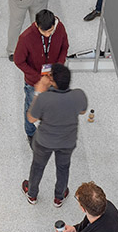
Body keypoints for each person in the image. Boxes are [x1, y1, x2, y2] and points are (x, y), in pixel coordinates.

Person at [23, 63, 86, 205]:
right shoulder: (78, 95)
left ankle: (32, 194)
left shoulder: (44, 99)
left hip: (44, 141)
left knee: (38, 166)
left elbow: (31, 118)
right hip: (67, 141)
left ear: (53, 82)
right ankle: (59, 196)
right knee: (63, 168)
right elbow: (82, 111)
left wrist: (38, 92)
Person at [13, 8, 69, 142]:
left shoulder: (59, 28)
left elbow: (64, 47)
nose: (48, 35)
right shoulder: (26, 38)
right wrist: (39, 77)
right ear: (37, 25)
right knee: (31, 108)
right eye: (45, 32)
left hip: (54, 79)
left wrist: (59, 66)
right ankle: (31, 133)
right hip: (34, 83)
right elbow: (19, 61)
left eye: (51, 31)